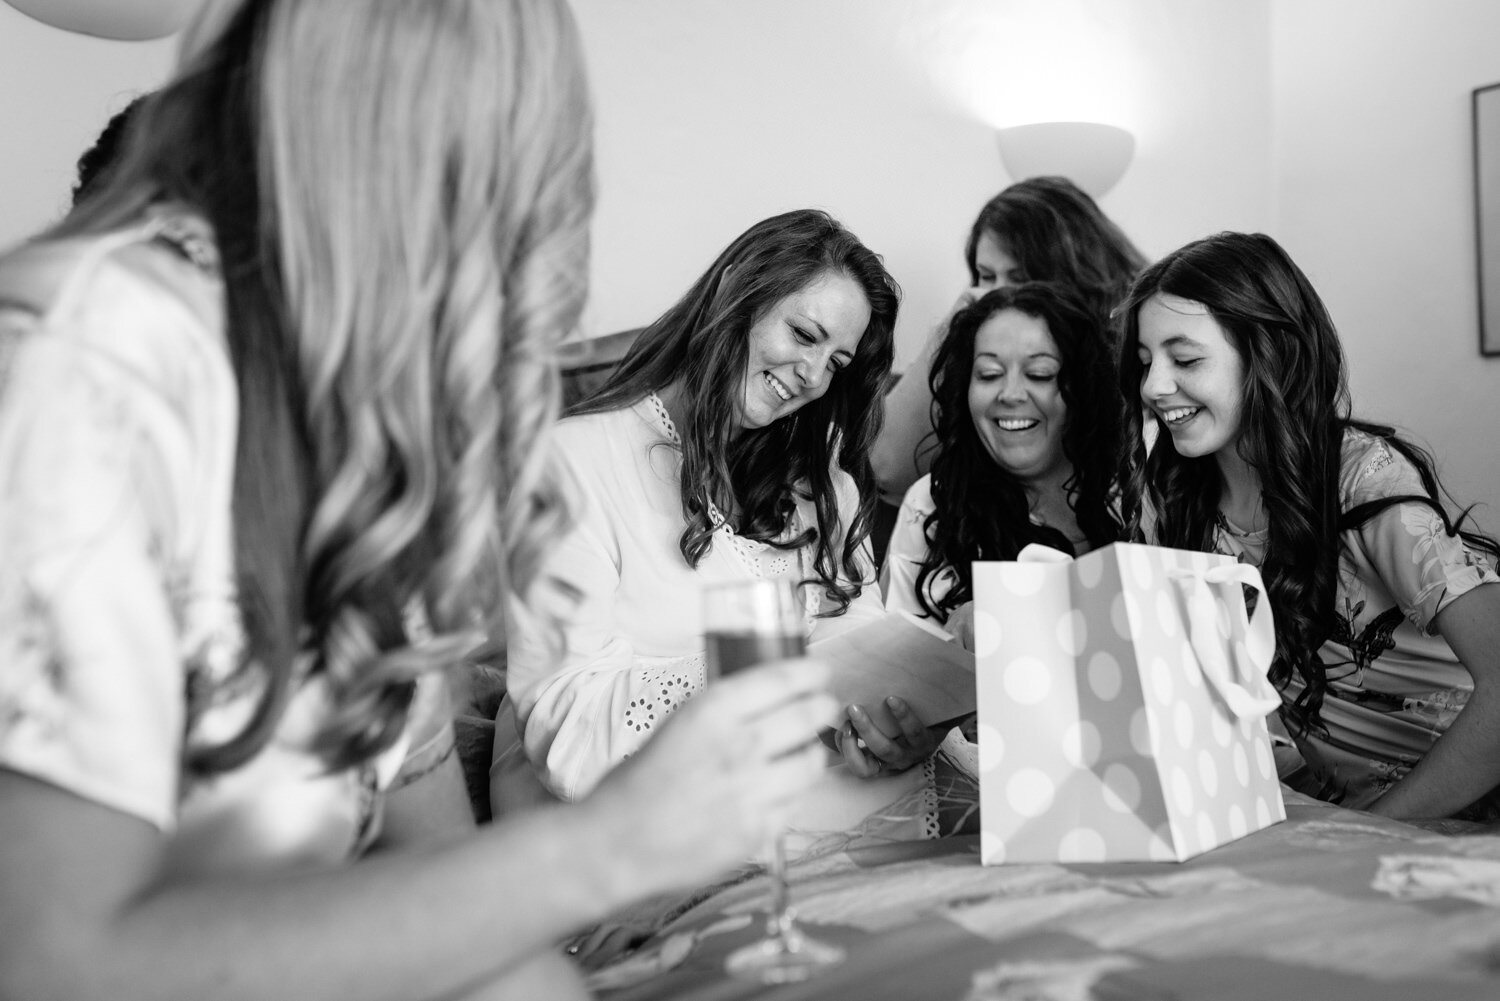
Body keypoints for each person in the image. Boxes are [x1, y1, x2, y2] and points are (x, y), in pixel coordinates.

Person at [0, 3, 836, 1000]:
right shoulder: (90, 355)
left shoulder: (355, 424)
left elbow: (428, 863)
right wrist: (607, 847)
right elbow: (50, 960)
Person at [497, 209, 955, 838]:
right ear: (737, 290)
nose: (813, 376)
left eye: (837, 363)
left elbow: (858, 637)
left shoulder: (823, 488)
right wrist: (749, 675)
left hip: (807, 801)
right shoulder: (572, 461)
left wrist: (885, 725)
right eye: (802, 333)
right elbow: (564, 727)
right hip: (631, 825)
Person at [1118, 231, 1500, 822]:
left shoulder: (1361, 478)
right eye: (1145, 363)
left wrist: (1376, 830)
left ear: (1268, 353)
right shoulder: (1173, 499)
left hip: (1456, 819)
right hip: (1332, 821)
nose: (1153, 386)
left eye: (1185, 359)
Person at [870, 176, 1147, 509]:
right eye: (986, 276)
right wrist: (952, 327)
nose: (997, 295)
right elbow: (885, 467)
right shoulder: (978, 350)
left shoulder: (1137, 355)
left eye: (1019, 279)